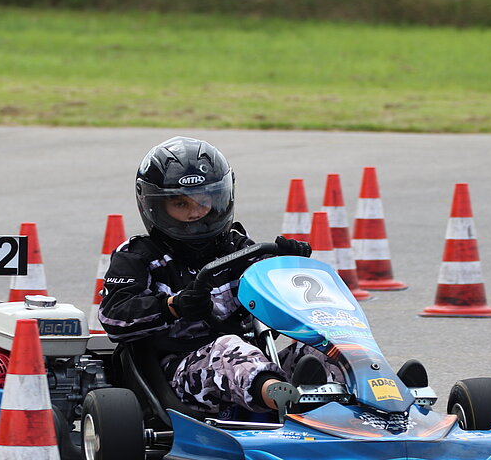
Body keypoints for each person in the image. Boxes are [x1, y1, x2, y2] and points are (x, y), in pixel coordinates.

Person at [98, 136, 341, 419]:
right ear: (154, 206)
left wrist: (287, 266)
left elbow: (275, 302)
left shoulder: (237, 248)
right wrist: (172, 306)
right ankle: (287, 400)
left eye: (204, 201)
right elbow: (114, 317)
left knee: (318, 344)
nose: (196, 212)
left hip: (252, 362)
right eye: (181, 204)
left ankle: (363, 397)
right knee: (228, 347)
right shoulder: (138, 256)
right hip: (179, 375)